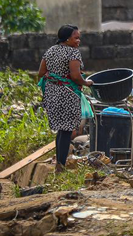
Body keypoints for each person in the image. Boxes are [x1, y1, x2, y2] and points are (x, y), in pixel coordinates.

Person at [38, 25, 93, 173]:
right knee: (67, 130)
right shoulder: (73, 53)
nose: (78, 41)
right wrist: (86, 82)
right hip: (67, 94)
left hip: (52, 93)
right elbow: (75, 76)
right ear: (67, 39)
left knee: (61, 130)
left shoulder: (50, 51)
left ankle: (59, 163)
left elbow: (41, 72)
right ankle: (60, 166)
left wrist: (54, 76)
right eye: (76, 38)